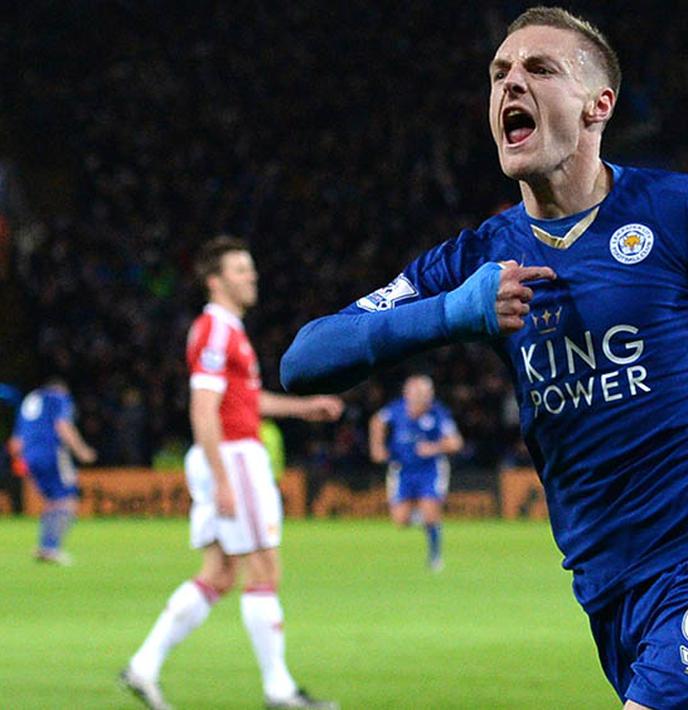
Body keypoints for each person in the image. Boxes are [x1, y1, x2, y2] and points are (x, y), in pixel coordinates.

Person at [281, 7, 688, 707]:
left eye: (539, 69)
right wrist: (450, 313)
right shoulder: (476, 262)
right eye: (499, 73)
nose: (510, 85)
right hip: (609, 589)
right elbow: (304, 359)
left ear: (599, 106)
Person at [120, 236, 344, 710]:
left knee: (220, 573)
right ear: (215, 281)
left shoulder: (226, 331)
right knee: (264, 566)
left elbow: (243, 402)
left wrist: (305, 408)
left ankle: (143, 666)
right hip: (234, 457)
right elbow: (203, 409)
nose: (252, 277)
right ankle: (279, 689)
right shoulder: (216, 331)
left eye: (251, 269)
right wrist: (222, 478)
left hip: (231, 452)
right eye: (241, 270)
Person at [369, 375, 461, 571]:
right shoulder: (396, 410)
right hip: (402, 469)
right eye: (417, 393)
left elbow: (455, 442)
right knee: (400, 521)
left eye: (425, 394)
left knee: (430, 513)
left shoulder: (439, 413)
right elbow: (377, 421)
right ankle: (429, 520)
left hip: (430, 469)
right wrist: (377, 446)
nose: (422, 398)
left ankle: (435, 556)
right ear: (407, 394)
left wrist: (434, 447)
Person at [8, 377, 97, 564]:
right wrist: (82, 451)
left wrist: (22, 461)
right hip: (51, 453)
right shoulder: (58, 397)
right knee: (68, 500)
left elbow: (16, 442)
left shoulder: (29, 401)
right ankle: (52, 548)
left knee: (51, 502)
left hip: (30, 456)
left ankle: (45, 547)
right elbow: (62, 426)